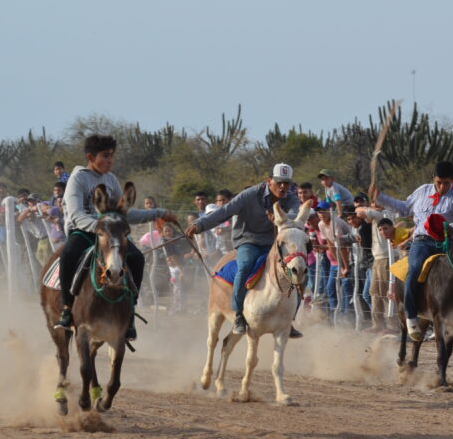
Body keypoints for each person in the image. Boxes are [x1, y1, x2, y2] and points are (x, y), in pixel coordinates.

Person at [54, 134, 174, 337]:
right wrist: (101, 228)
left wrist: (158, 213)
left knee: (136, 257)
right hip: (83, 231)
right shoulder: (77, 179)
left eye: (111, 156)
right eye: (105, 156)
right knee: (68, 255)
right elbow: (76, 215)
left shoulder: (110, 179)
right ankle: (67, 308)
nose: (110, 161)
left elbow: (125, 213)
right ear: (91, 157)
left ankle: (130, 310)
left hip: (109, 233)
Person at [186, 163, 302, 335]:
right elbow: (224, 212)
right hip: (248, 240)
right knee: (245, 265)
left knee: (298, 269)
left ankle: (289, 319)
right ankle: (239, 314)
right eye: (279, 182)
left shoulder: (291, 198)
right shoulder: (250, 195)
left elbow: (294, 214)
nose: (283, 187)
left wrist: (281, 218)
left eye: (287, 183)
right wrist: (199, 225)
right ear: (269, 181)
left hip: (273, 243)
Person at [370, 160, 453, 341]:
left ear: (452, 181)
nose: (442, 187)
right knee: (414, 268)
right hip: (422, 242)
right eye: (439, 182)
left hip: (446, 243)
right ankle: (411, 316)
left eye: (446, 183)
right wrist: (380, 197)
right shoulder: (422, 191)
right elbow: (403, 208)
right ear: (433, 179)